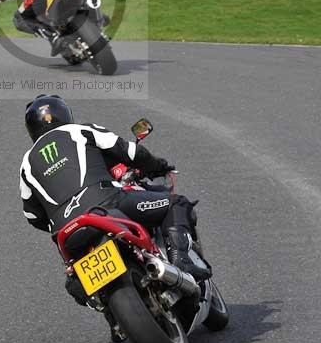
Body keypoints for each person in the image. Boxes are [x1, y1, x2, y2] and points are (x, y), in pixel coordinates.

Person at [20, 95, 211, 286]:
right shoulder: (78, 131)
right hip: (106, 203)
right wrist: (158, 166)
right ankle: (182, 259)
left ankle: (104, 302)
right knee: (176, 203)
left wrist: (64, 218)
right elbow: (132, 153)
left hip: (66, 232)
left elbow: (33, 215)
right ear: (64, 114)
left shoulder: (26, 164)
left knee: (74, 283)